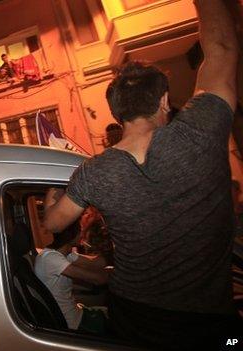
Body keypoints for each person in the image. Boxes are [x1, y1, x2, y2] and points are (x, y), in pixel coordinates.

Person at [42, 0, 241, 348]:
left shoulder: (94, 171)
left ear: (118, 114)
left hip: (134, 317)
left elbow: (54, 224)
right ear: (164, 101)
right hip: (208, 322)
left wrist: (50, 201)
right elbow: (222, 48)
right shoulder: (201, 129)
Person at [34, 222, 109, 334]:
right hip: (71, 322)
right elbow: (97, 279)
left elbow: (95, 262)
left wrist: (113, 251)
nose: (82, 234)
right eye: (80, 231)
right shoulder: (51, 258)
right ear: (70, 235)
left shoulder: (64, 254)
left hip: (75, 312)